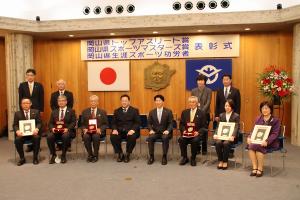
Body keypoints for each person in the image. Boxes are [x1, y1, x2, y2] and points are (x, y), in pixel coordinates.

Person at [247, 101, 280, 177]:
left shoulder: (275, 120)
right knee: (251, 146)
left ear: (271, 109)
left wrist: (267, 141)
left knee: (256, 147)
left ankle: (260, 168)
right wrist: (249, 137)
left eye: (266, 108)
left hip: (271, 142)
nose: (264, 110)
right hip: (258, 140)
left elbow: (275, 134)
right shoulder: (258, 118)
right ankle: (255, 167)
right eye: (263, 108)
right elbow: (253, 130)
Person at [215, 74, 241, 157]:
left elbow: (238, 104)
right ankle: (221, 151)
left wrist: (236, 116)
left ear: (230, 80)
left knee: (230, 133)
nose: (225, 81)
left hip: (232, 116)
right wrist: (216, 115)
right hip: (222, 116)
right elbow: (217, 104)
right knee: (222, 133)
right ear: (222, 81)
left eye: (227, 79)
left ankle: (230, 151)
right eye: (224, 79)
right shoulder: (219, 90)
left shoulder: (235, 91)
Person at [18, 68, 44, 152]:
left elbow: (41, 98)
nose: (30, 77)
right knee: (27, 127)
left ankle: (37, 145)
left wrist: (41, 110)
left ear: (34, 76)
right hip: (25, 109)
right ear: (26, 76)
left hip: (36, 109)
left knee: (37, 127)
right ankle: (29, 146)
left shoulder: (39, 85)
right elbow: (20, 98)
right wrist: (21, 110)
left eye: (31, 75)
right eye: (28, 75)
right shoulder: (22, 85)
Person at [110, 94, 141, 163]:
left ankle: (127, 154)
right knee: (113, 136)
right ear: (121, 102)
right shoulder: (117, 111)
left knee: (132, 136)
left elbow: (138, 122)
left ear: (129, 102)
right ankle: (120, 153)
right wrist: (114, 129)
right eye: (122, 101)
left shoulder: (134, 110)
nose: (124, 102)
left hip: (130, 131)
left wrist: (132, 130)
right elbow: (113, 123)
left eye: (126, 101)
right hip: (119, 131)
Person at [47, 95, 76, 164]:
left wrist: (67, 129)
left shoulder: (71, 111)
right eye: (59, 101)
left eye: (63, 101)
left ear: (66, 102)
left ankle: (63, 155)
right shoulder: (54, 111)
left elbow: (73, 122)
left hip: (67, 131)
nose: (61, 102)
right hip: (56, 131)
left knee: (65, 136)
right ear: (57, 102)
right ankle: (53, 154)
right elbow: (50, 123)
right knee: (49, 136)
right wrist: (52, 128)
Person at [13, 98, 42, 166]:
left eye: (27, 103)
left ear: (30, 104)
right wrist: (17, 131)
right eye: (24, 103)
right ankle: (22, 158)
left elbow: (39, 123)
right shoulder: (17, 114)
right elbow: (15, 125)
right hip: (22, 135)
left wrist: (37, 129)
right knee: (17, 140)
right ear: (21, 105)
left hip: (33, 134)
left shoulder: (36, 111)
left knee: (37, 138)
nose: (25, 105)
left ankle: (35, 158)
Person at [178, 96, 206, 166]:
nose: (191, 103)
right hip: (186, 134)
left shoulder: (202, 113)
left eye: (193, 102)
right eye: (190, 102)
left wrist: (198, 132)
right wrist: (184, 130)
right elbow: (181, 124)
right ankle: (184, 157)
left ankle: (193, 158)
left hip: (196, 134)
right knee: (181, 139)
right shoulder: (184, 112)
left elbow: (204, 126)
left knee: (195, 140)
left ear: (197, 103)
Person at [147, 95, 173, 165]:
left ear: (163, 102)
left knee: (165, 138)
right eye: (156, 100)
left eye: (159, 100)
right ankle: (151, 156)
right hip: (155, 132)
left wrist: (168, 130)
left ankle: (164, 156)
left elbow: (171, 123)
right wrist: (151, 130)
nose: (158, 102)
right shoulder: (152, 112)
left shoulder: (168, 111)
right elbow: (149, 123)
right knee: (150, 138)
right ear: (155, 102)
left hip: (165, 132)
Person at [80, 95, 108, 163]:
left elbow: (106, 124)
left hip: (98, 132)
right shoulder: (84, 111)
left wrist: (100, 129)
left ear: (97, 102)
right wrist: (84, 129)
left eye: (94, 101)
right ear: (90, 102)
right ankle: (90, 154)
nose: (93, 103)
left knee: (96, 136)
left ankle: (95, 155)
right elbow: (82, 124)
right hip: (87, 131)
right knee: (86, 136)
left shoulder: (102, 112)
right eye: (91, 101)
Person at [213, 99, 240, 170]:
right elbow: (218, 126)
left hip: (231, 137)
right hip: (222, 135)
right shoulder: (221, 115)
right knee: (218, 143)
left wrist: (233, 136)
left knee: (226, 143)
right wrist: (216, 134)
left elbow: (236, 127)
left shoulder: (236, 116)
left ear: (232, 107)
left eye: (229, 106)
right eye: (226, 106)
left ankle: (225, 161)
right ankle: (220, 160)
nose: (227, 107)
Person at [191, 74, 212, 154]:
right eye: (199, 80)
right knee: (196, 130)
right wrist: (197, 111)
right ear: (197, 81)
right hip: (195, 113)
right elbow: (192, 101)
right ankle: (197, 148)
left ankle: (204, 148)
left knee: (204, 131)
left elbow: (208, 102)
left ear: (205, 81)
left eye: (202, 80)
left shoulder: (209, 90)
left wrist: (201, 112)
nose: (200, 82)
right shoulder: (193, 90)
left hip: (205, 114)